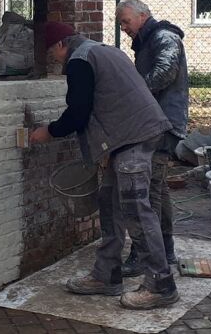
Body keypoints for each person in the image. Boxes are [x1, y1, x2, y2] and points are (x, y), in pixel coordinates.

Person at [29, 21, 179, 310]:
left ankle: (161, 285)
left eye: (52, 52)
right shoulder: (103, 51)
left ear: (62, 44)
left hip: (133, 137)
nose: (54, 59)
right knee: (109, 202)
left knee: (136, 210)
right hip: (131, 136)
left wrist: (49, 131)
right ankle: (107, 275)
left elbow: (78, 112)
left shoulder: (79, 60)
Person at [115, 0, 189, 277]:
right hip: (159, 120)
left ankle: (146, 255)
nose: (123, 28)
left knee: (149, 192)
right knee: (159, 187)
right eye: (121, 23)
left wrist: (132, 92)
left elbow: (165, 73)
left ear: (143, 15)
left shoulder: (164, 36)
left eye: (126, 21)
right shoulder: (149, 40)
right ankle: (165, 249)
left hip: (163, 123)